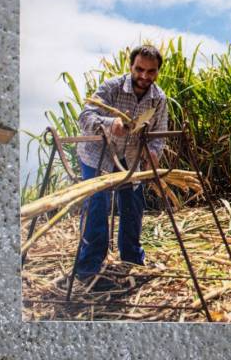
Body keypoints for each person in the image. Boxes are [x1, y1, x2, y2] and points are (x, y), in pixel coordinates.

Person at [75, 45, 168, 289]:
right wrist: (109, 123)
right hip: (98, 156)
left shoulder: (158, 98)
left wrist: (155, 154)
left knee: (133, 207)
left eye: (151, 71)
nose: (145, 76)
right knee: (97, 206)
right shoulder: (111, 87)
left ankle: (132, 262)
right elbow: (85, 117)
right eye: (140, 69)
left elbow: (159, 134)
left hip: (130, 157)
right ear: (131, 67)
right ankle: (89, 269)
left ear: (158, 72)